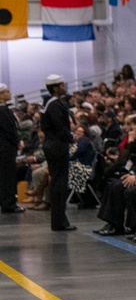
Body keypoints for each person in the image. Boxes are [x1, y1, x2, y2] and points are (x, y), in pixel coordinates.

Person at [39, 75, 76, 231]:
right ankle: (59, 221)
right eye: (61, 85)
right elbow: (60, 127)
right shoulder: (54, 105)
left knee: (57, 182)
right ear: (55, 88)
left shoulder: (50, 103)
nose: (64, 87)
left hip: (52, 144)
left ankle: (59, 220)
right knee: (59, 183)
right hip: (57, 145)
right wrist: (71, 138)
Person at [0, 82, 24, 213]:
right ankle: (9, 203)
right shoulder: (3, 111)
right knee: (8, 176)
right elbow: (9, 130)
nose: (9, 94)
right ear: (1, 95)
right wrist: (17, 142)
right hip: (6, 148)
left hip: (4, 147)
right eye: (7, 92)